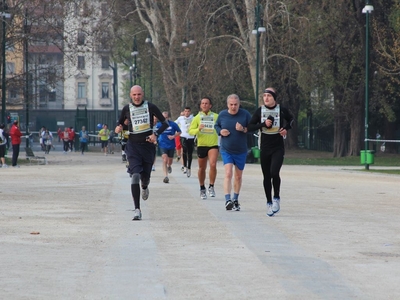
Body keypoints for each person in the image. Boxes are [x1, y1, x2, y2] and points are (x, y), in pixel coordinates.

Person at [115, 85, 168, 221]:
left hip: (148, 146)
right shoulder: (127, 109)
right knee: (135, 175)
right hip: (132, 146)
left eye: (139, 94)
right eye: (134, 95)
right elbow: (120, 123)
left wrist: (155, 134)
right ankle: (137, 209)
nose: (137, 97)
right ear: (130, 95)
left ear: (142, 94)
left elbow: (165, 123)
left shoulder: (150, 107)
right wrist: (118, 128)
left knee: (145, 178)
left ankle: (145, 186)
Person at [247, 87, 294, 217]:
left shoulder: (281, 110)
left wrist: (285, 128)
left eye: (269, 96)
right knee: (266, 175)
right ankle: (268, 202)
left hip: (278, 147)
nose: (266, 98)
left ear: (274, 98)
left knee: (274, 172)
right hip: (265, 147)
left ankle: (276, 198)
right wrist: (262, 124)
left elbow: (291, 120)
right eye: (264, 96)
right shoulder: (260, 111)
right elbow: (250, 126)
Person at [215, 94, 252, 211]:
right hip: (227, 150)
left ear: (239, 104)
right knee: (228, 173)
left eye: (235, 104)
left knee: (238, 176)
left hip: (241, 150)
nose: (233, 107)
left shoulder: (245, 114)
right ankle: (227, 200)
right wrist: (220, 131)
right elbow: (216, 126)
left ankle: (235, 198)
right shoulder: (222, 115)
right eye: (231, 104)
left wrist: (243, 129)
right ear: (227, 105)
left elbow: (252, 128)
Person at [188, 97, 219, 200]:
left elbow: (221, 126)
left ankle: (211, 186)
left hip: (213, 144)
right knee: (202, 168)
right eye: (203, 103)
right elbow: (191, 131)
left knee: (213, 164)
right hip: (201, 145)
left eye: (207, 103)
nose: (205, 105)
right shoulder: (197, 118)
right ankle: (202, 188)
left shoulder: (216, 116)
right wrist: (198, 129)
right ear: (200, 105)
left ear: (210, 105)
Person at [157, 111, 181, 183]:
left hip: (171, 144)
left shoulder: (173, 124)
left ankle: (169, 166)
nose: (164, 119)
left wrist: (173, 136)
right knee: (165, 159)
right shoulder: (159, 125)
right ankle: (166, 176)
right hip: (162, 144)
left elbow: (179, 132)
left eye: (166, 118)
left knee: (170, 161)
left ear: (169, 117)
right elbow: (155, 132)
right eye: (163, 118)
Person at [175, 107, 195, 177]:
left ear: (190, 112)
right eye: (185, 111)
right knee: (184, 150)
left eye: (188, 111)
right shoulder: (181, 118)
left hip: (191, 137)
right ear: (184, 112)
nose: (187, 113)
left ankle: (189, 167)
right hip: (183, 136)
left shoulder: (193, 118)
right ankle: (185, 166)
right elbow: (174, 124)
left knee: (189, 153)